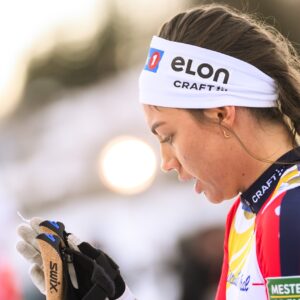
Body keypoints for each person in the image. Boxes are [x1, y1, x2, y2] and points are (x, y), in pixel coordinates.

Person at [17, 3, 300, 300]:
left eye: (168, 136)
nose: (167, 162)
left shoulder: (289, 213)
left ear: (220, 113)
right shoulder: (248, 214)